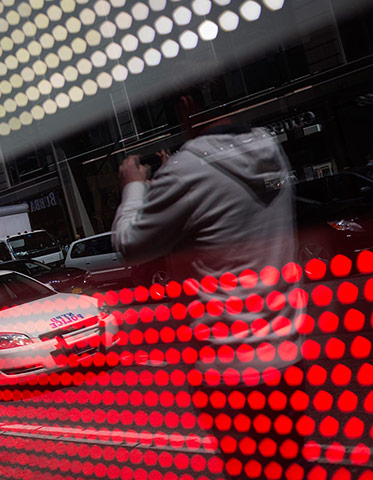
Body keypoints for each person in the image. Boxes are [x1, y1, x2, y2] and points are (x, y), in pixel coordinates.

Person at [112, 96, 305, 479]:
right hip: (287, 353)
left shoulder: (188, 170)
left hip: (229, 368)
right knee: (291, 466)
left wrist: (135, 188)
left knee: (251, 470)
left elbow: (129, 244)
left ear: (184, 103)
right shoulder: (269, 146)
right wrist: (176, 178)